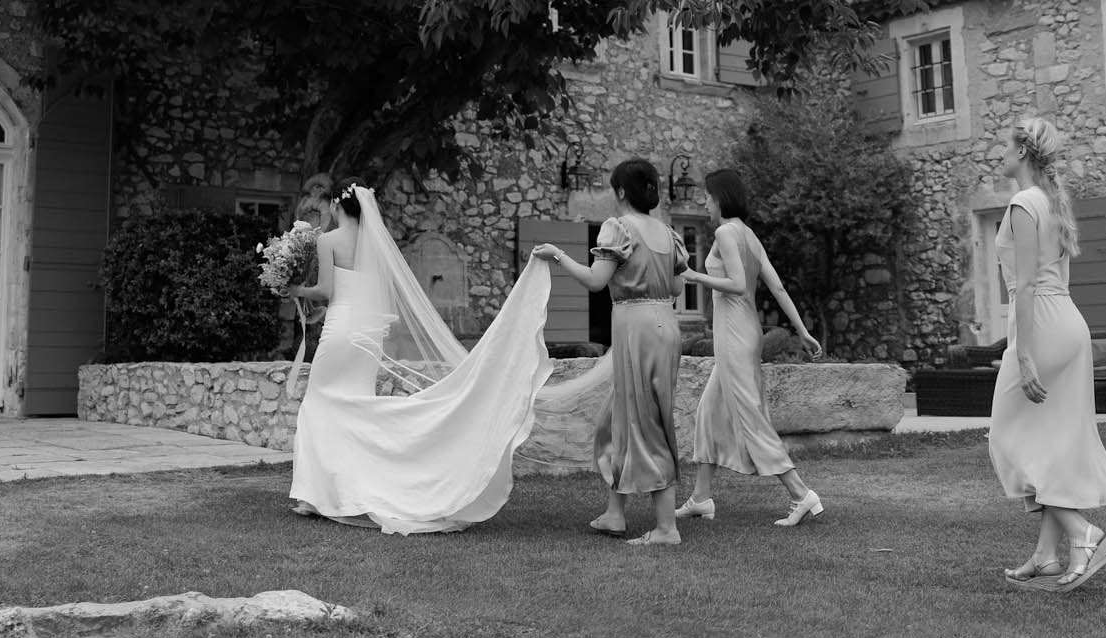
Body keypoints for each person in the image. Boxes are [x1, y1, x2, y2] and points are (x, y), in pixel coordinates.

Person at [286, 185, 555, 534]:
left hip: (341, 330)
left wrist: (296, 291)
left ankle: (317, 495)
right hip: (368, 335)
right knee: (356, 405)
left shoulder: (328, 240)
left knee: (319, 402)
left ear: (338, 205)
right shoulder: (375, 247)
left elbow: (326, 291)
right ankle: (335, 491)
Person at [534, 159, 731, 547]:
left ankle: (665, 528)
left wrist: (558, 255)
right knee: (616, 417)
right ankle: (614, 513)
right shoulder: (669, 233)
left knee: (646, 421)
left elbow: (595, 280)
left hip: (635, 325)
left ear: (621, 191)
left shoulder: (617, 227)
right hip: (664, 323)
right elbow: (677, 289)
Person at [988, 116, 1106, 592]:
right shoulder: (1050, 200)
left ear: (1024, 153)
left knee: (1007, 437)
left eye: (1006, 147)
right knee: (1047, 441)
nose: (1001, 154)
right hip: (1065, 321)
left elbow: (1026, 284)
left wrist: (1024, 354)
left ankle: (1082, 533)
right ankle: (1047, 557)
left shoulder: (1023, 204)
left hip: (1044, 326)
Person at [674, 169, 826, 527]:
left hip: (735, 334)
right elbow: (778, 287)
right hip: (746, 332)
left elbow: (739, 284)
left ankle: (802, 494)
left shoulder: (726, 231)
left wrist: (693, 275)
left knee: (751, 416)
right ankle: (700, 498)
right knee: (709, 412)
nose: (705, 204)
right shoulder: (749, 234)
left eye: (708, 198)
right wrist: (802, 331)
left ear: (721, 198)